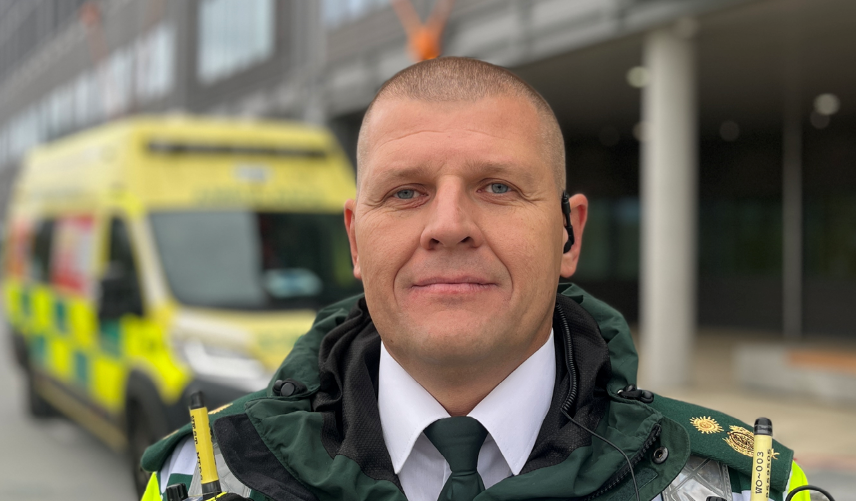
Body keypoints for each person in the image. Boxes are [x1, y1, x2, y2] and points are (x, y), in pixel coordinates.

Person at [140, 57, 810, 501]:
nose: (448, 224)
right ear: (353, 237)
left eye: (497, 185)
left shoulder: (743, 483)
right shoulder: (199, 477)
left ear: (568, 232)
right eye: (405, 193)